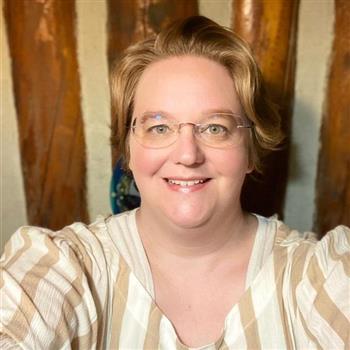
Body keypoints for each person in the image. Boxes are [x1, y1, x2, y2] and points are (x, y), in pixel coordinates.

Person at [1, 16, 349, 349]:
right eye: (159, 127)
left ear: (251, 150)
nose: (187, 154)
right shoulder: (69, 267)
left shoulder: (320, 276)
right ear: (129, 149)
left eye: (215, 127)